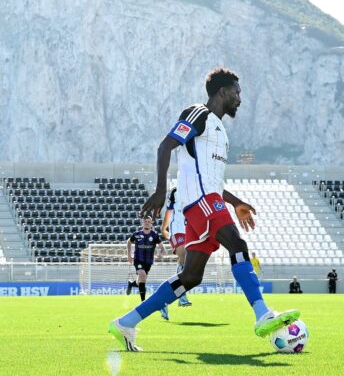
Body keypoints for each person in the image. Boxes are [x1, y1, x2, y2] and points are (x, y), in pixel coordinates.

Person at [108, 68, 299, 352]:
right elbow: (165, 147)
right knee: (238, 245)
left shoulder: (219, 131)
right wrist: (160, 191)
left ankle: (127, 321)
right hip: (200, 202)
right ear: (222, 92)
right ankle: (262, 315)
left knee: (190, 277)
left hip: (202, 203)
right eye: (237, 92)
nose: (240, 98)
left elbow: (212, 179)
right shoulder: (199, 114)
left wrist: (236, 203)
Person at [126, 216, 165, 317]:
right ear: (142, 223)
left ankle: (132, 284)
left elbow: (162, 248)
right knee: (142, 275)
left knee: (141, 281)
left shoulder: (155, 235)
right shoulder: (137, 234)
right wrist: (129, 255)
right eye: (145, 222)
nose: (147, 223)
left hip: (148, 261)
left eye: (149, 222)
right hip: (138, 260)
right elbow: (129, 242)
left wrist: (161, 253)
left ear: (152, 223)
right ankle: (143, 302)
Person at [160, 187, 191, 310]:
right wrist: (167, 233)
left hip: (187, 234)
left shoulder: (189, 203)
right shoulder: (173, 202)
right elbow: (165, 223)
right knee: (183, 259)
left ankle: (165, 297)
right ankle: (182, 296)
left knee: (186, 264)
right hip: (177, 234)